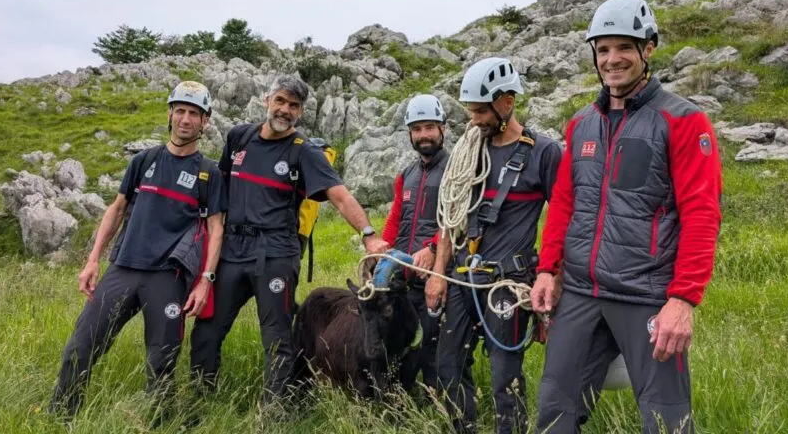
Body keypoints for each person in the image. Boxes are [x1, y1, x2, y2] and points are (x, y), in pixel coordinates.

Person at [530, 0, 723, 433]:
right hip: (580, 292)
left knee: (666, 419)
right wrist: (548, 270)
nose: (612, 59)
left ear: (648, 49)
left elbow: (702, 213)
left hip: (647, 294)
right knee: (554, 411)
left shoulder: (684, 122)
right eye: (602, 49)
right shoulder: (581, 124)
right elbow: (564, 201)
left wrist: (683, 299)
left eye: (624, 47)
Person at [189, 74, 389, 406]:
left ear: (301, 112)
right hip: (232, 252)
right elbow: (219, 187)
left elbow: (340, 197)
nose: (284, 110)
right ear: (267, 100)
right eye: (280, 101)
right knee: (206, 332)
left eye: (293, 106)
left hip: (276, 254)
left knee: (277, 340)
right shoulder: (240, 137)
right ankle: (200, 401)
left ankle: (275, 413)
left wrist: (369, 236)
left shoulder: (305, 152)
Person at [49, 81, 226, 419]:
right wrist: (92, 260)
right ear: (170, 113)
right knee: (80, 347)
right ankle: (61, 418)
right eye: (181, 111)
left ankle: (158, 422)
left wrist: (205, 280)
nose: (186, 119)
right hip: (123, 269)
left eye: (194, 113)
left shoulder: (208, 173)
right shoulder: (144, 161)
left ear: (205, 121)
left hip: (168, 278)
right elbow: (116, 210)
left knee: (162, 361)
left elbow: (217, 228)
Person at [425, 57, 562, 434]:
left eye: (481, 111)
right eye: (471, 112)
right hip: (462, 278)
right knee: (447, 367)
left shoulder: (543, 153)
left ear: (507, 102)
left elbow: (564, 220)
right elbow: (450, 221)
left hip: (508, 281)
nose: (474, 121)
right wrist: (438, 275)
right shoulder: (469, 153)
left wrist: (551, 285)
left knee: (506, 376)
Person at [381, 94, 449, 394]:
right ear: (409, 133)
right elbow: (396, 218)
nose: (424, 135)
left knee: (434, 349)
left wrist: (433, 248)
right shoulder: (406, 175)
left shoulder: (455, 168)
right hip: (405, 280)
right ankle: (404, 401)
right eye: (417, 129)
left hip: (439, 276)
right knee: (401, 345)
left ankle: (442, 406)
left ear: (442, 129)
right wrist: (380, 250)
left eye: (429, 128)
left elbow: (462, 218)